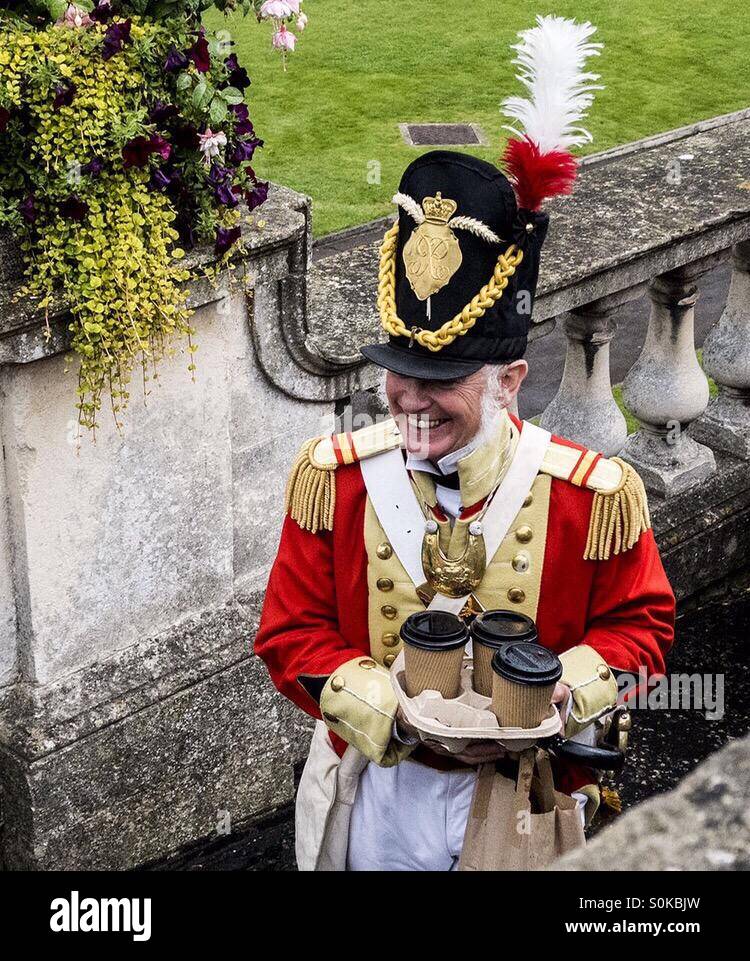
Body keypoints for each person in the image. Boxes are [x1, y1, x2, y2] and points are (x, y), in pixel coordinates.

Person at [254, 17, 676, 871]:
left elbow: (643, 625)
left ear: (510, 380)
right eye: (398, 374)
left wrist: (559, 692)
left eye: (439, 382)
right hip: (382, 791)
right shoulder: (333, 483)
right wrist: (386, 706)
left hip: (525, 794)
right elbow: (288, 633)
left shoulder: (591, 495)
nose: (408, 399)